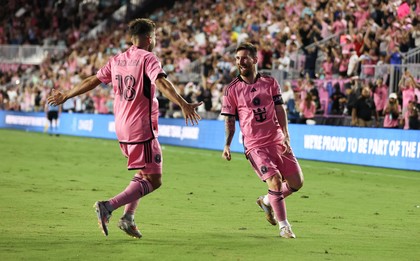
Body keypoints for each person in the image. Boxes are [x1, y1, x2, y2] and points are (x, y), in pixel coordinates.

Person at [47, 18, 202, 238]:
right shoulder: (148, 58)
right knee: (154, 179)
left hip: (121, 127)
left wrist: (67, 95)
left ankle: (128, 218)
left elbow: (93, 79)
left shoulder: (118, 59)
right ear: (150, 39)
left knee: (143, 173)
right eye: (155, 38)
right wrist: (183, 103)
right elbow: (162, 82)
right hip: (141, 128)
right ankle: (108, 206)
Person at [221, 42, 304, 238]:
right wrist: (227, 144)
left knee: (296, 183)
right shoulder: (231, 89)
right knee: (274, 181)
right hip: (255, 145)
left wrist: (285, 133)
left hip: (276, 140)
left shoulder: (270, 82)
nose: (240, 62)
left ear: (255, 60)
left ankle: (267, 201)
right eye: (237, 58)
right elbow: (230, 119)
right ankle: (284, 226)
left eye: (244, 58)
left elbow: (279, 109)